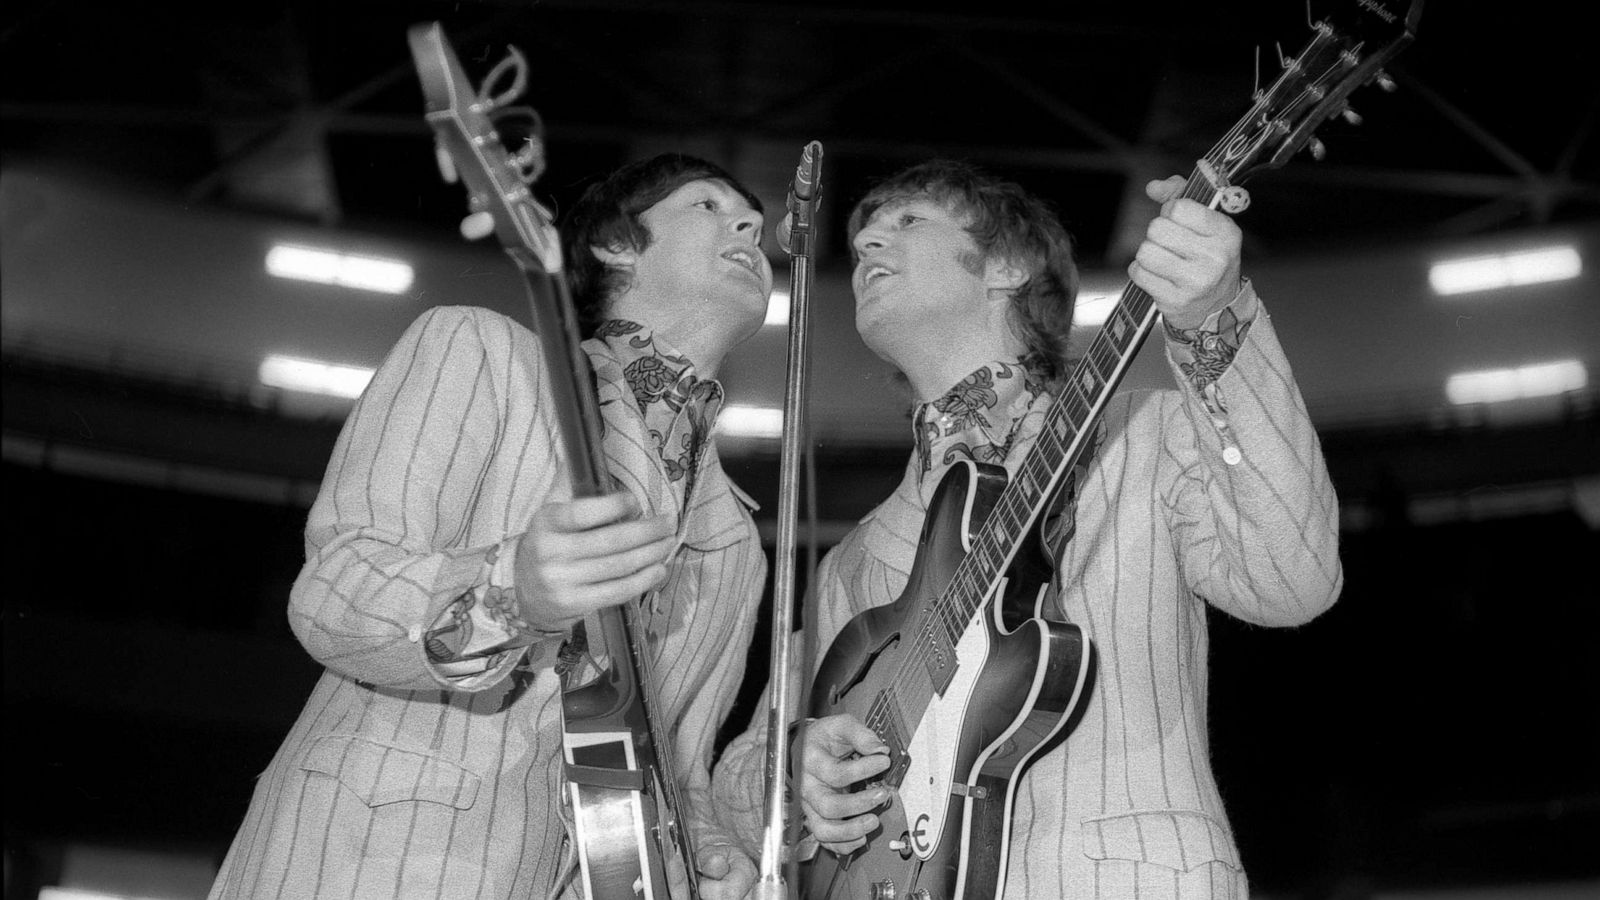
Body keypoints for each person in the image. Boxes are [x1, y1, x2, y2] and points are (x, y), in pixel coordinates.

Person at [711, 159, 1342, 898]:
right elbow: (741, 770)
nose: (869, 247)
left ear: (1007, 266)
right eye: (860, 242)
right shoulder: (853, 562)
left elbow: (1293, 578)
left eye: (907, 221)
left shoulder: (1146, 433)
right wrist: (797, 763)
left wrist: (1213, 317)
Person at [209, 153, 773, 900]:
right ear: (616, 243)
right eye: (707, 205)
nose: (754, 224)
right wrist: (513, 594)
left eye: (752, 220)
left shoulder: (735, 541)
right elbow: (337, 590)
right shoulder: (479, 351)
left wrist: (704, 843)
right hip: (371, 860)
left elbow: (680, 765)